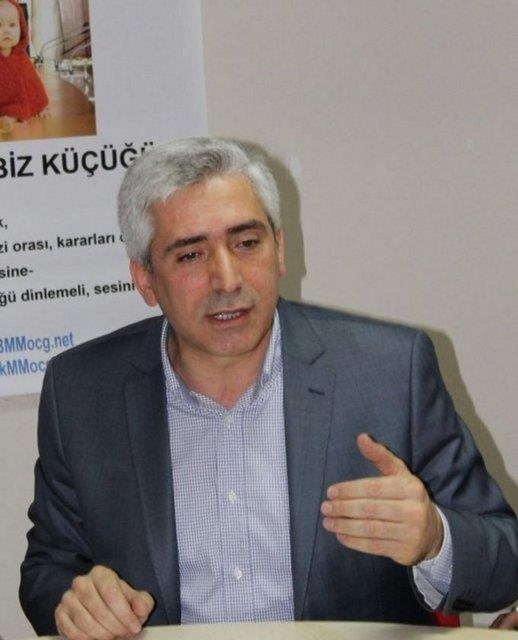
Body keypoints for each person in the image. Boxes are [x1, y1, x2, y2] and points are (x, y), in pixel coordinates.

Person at [20, 137, 518, 639]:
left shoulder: (389, 372)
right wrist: (75, 601)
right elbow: (48, 569)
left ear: (279, 249)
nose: (227, 279)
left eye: (246, 244)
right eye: (191, 255)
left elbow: (506, 558)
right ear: (145, 279)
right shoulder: (82, 391)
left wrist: (434, 539)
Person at [0, 0, 48, 133]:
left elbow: (32, 83)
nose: (6, 31)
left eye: (12, 25)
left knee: (15, 113)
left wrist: (41, 106)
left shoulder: (22, 59)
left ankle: (9, 120)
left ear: (22, 28)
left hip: (16, 105)